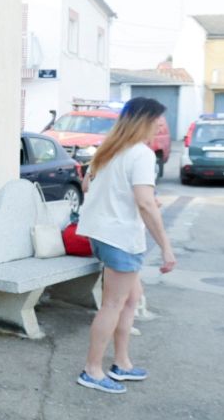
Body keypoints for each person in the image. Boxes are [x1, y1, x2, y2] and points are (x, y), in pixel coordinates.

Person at [72, 98, 177, 394]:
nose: (160, 125)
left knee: (131, 299)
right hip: (121, 238)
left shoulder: (108, 151)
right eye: (157, 120)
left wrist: (135, 198)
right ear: (143, 121)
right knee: (113, 305)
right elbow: (144, 202)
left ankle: (122, 363)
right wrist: (166, 248)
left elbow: (88, 187)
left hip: (101, 234)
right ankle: (92, 370)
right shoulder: (141, 155)